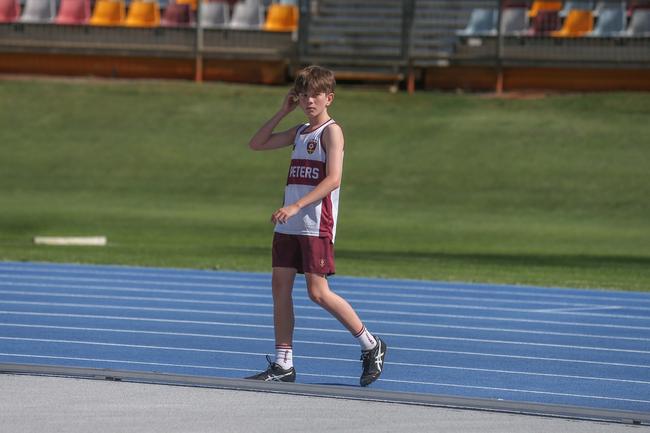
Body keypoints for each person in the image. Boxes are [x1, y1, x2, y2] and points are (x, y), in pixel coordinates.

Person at [245, 65, 387, 387]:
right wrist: (282, 110)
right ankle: (283, 363)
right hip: (288, 225)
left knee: (317, 292)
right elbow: (257, 143)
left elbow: (333, 179)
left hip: (313, 223)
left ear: (329, 98)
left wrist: (296, 205)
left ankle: (371, 344)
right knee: (280, 287)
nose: (309, 100)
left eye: (315, 95)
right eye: (304, 94)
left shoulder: (331, 132)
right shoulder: (299, 132)